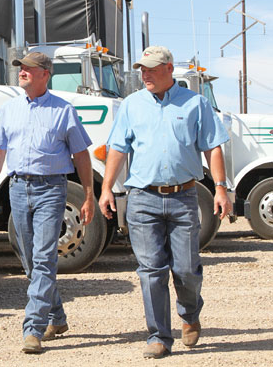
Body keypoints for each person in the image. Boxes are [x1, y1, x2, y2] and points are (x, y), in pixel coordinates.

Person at [98, 46, 231, 359]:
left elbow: (213, 148)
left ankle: (189, 313)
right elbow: (117, 149)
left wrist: (222, 189)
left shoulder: (196, 104)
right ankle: (158, 336)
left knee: (186, 269)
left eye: (152, 69)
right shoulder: (131, 105)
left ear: (169, 68)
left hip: (184, 197)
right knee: (151, 270)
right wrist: (106, 189)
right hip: (142, 199)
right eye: (142, 69)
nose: (145, 74)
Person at [0, 51, 94, 354]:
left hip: (51, 189)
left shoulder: (64, 111)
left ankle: (33, 328)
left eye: (29, 69)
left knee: (44, 259)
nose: (22, 72)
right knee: (30, 260)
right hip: (17, 189)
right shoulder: (8, 110)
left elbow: (81, 154)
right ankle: (57, 316)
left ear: (46, 74)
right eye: (21, 68)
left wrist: (89, 194)